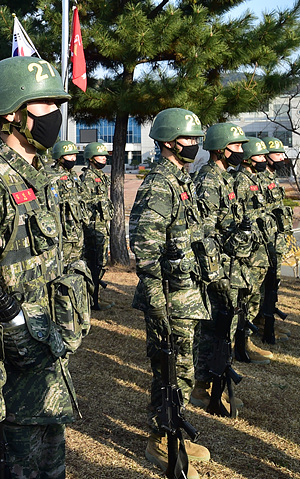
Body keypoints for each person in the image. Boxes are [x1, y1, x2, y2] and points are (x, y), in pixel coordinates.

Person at [0, 56, 87, 479]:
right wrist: (11, 319)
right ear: (13, 113)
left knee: (50, 465)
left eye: (56, 104)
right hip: (9, 367)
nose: (55, 115)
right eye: (44, 104)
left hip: (46, 354)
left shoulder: (43, 176)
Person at [130, 108, 210, 478]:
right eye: (188, 139)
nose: (194, 145)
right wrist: (156, 304)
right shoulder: (160, 183)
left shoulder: (181, 179)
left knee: (183, 369)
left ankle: (173, 427)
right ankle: (160, 440)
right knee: (169, 370)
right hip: (168, 296)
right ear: (167, 142)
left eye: (196, 139)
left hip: (186, 293)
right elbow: (146, 251)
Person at [191, 122, 247, 414]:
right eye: (236, 146)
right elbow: (204, 234)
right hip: (217, 270)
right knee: (211, 330)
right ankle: (202, 387)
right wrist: (216, 276)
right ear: (221, 149)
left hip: (230, 266)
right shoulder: (209, 181)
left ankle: (214, 383)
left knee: (224, 330)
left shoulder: (225, 179)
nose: (241, 151)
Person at [230, 137, 275, 363]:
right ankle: (241, 344)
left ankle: (245, 340)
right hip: (248, 251)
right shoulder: (241, 180)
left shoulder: (254, 179)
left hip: (258, 248)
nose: (263, 159)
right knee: (245, 298)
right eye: (258, 156)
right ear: (247, 158)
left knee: (254, 297)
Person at [259, 137, 292, 343]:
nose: (282, 158)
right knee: (263, 286)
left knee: (272, 284)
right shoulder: (261, 179)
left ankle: (267, 321)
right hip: (265, 242)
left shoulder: (272, 178)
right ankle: (262, 324)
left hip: (275, 240)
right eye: (278, 154)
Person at [80, 141, 113, 310]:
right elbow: (84, 205)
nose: (104, 159)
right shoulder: (88, 178)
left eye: (105, 156)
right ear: (91, 159)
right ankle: (92, 301)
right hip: (93, 228)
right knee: (93, 264)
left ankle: (95, 299)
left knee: (99, 264)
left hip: (101, 227)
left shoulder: (101, 177)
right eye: (100, 156)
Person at [47, 140, 88, 267]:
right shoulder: (52, 176)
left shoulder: (73, 175)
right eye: (69, 156)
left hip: (77, 226)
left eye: (75, 155)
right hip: (63, 229)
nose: (73, 159)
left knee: (77, 261)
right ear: (59, 157)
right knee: (63, 263)